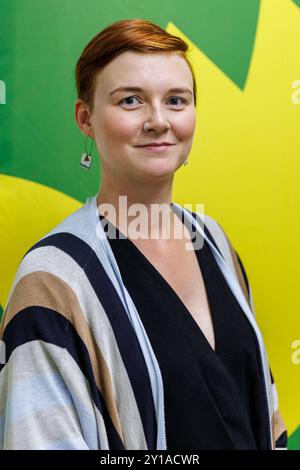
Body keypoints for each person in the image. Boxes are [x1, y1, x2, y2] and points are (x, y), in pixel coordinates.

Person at [0, 19, 288, 450]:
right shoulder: (53, 281)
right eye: (130, 100)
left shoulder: (214, 242)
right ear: (86, 118)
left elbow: (263, 413)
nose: (158, 120)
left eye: (176, 100)